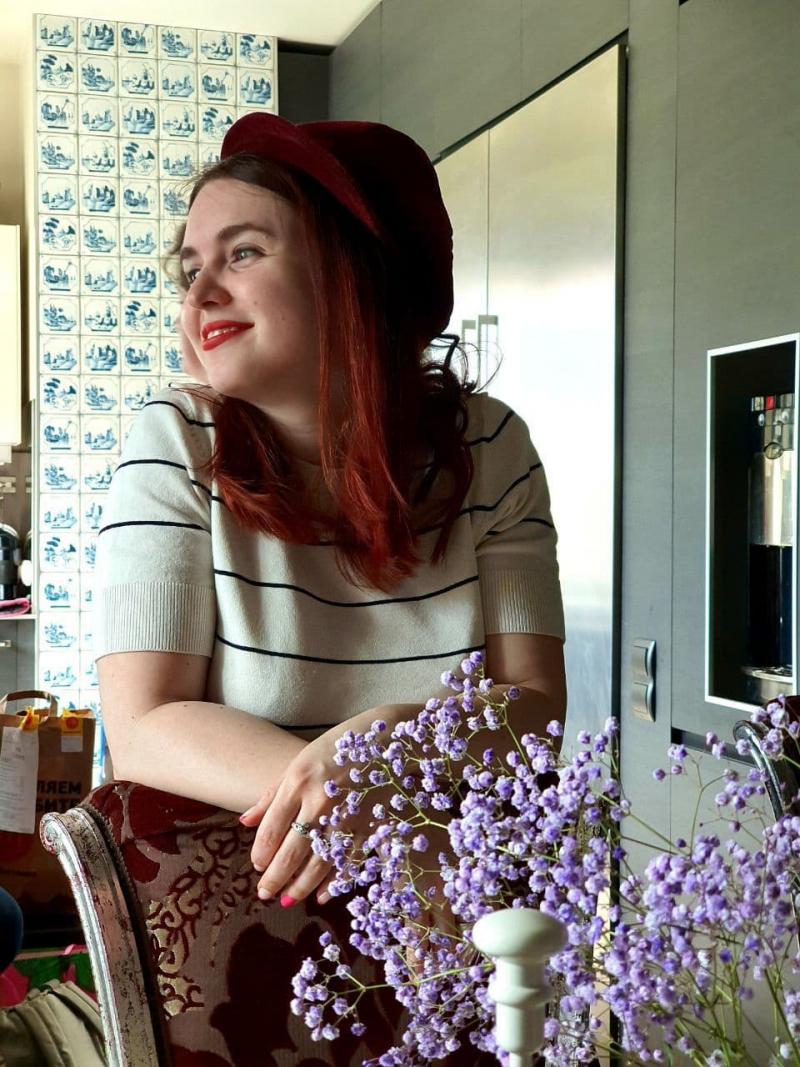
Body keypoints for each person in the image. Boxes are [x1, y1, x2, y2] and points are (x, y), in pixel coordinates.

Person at [94, 111, 566, 1060]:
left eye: (243, 251)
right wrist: (369, 805)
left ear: (352, 271)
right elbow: (142, 722)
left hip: (456, 920)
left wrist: (389, 743)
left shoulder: (491, 446)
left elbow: (535, 703)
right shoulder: (175, 442)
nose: (200, 292)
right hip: (240, 937)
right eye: (190, 267)